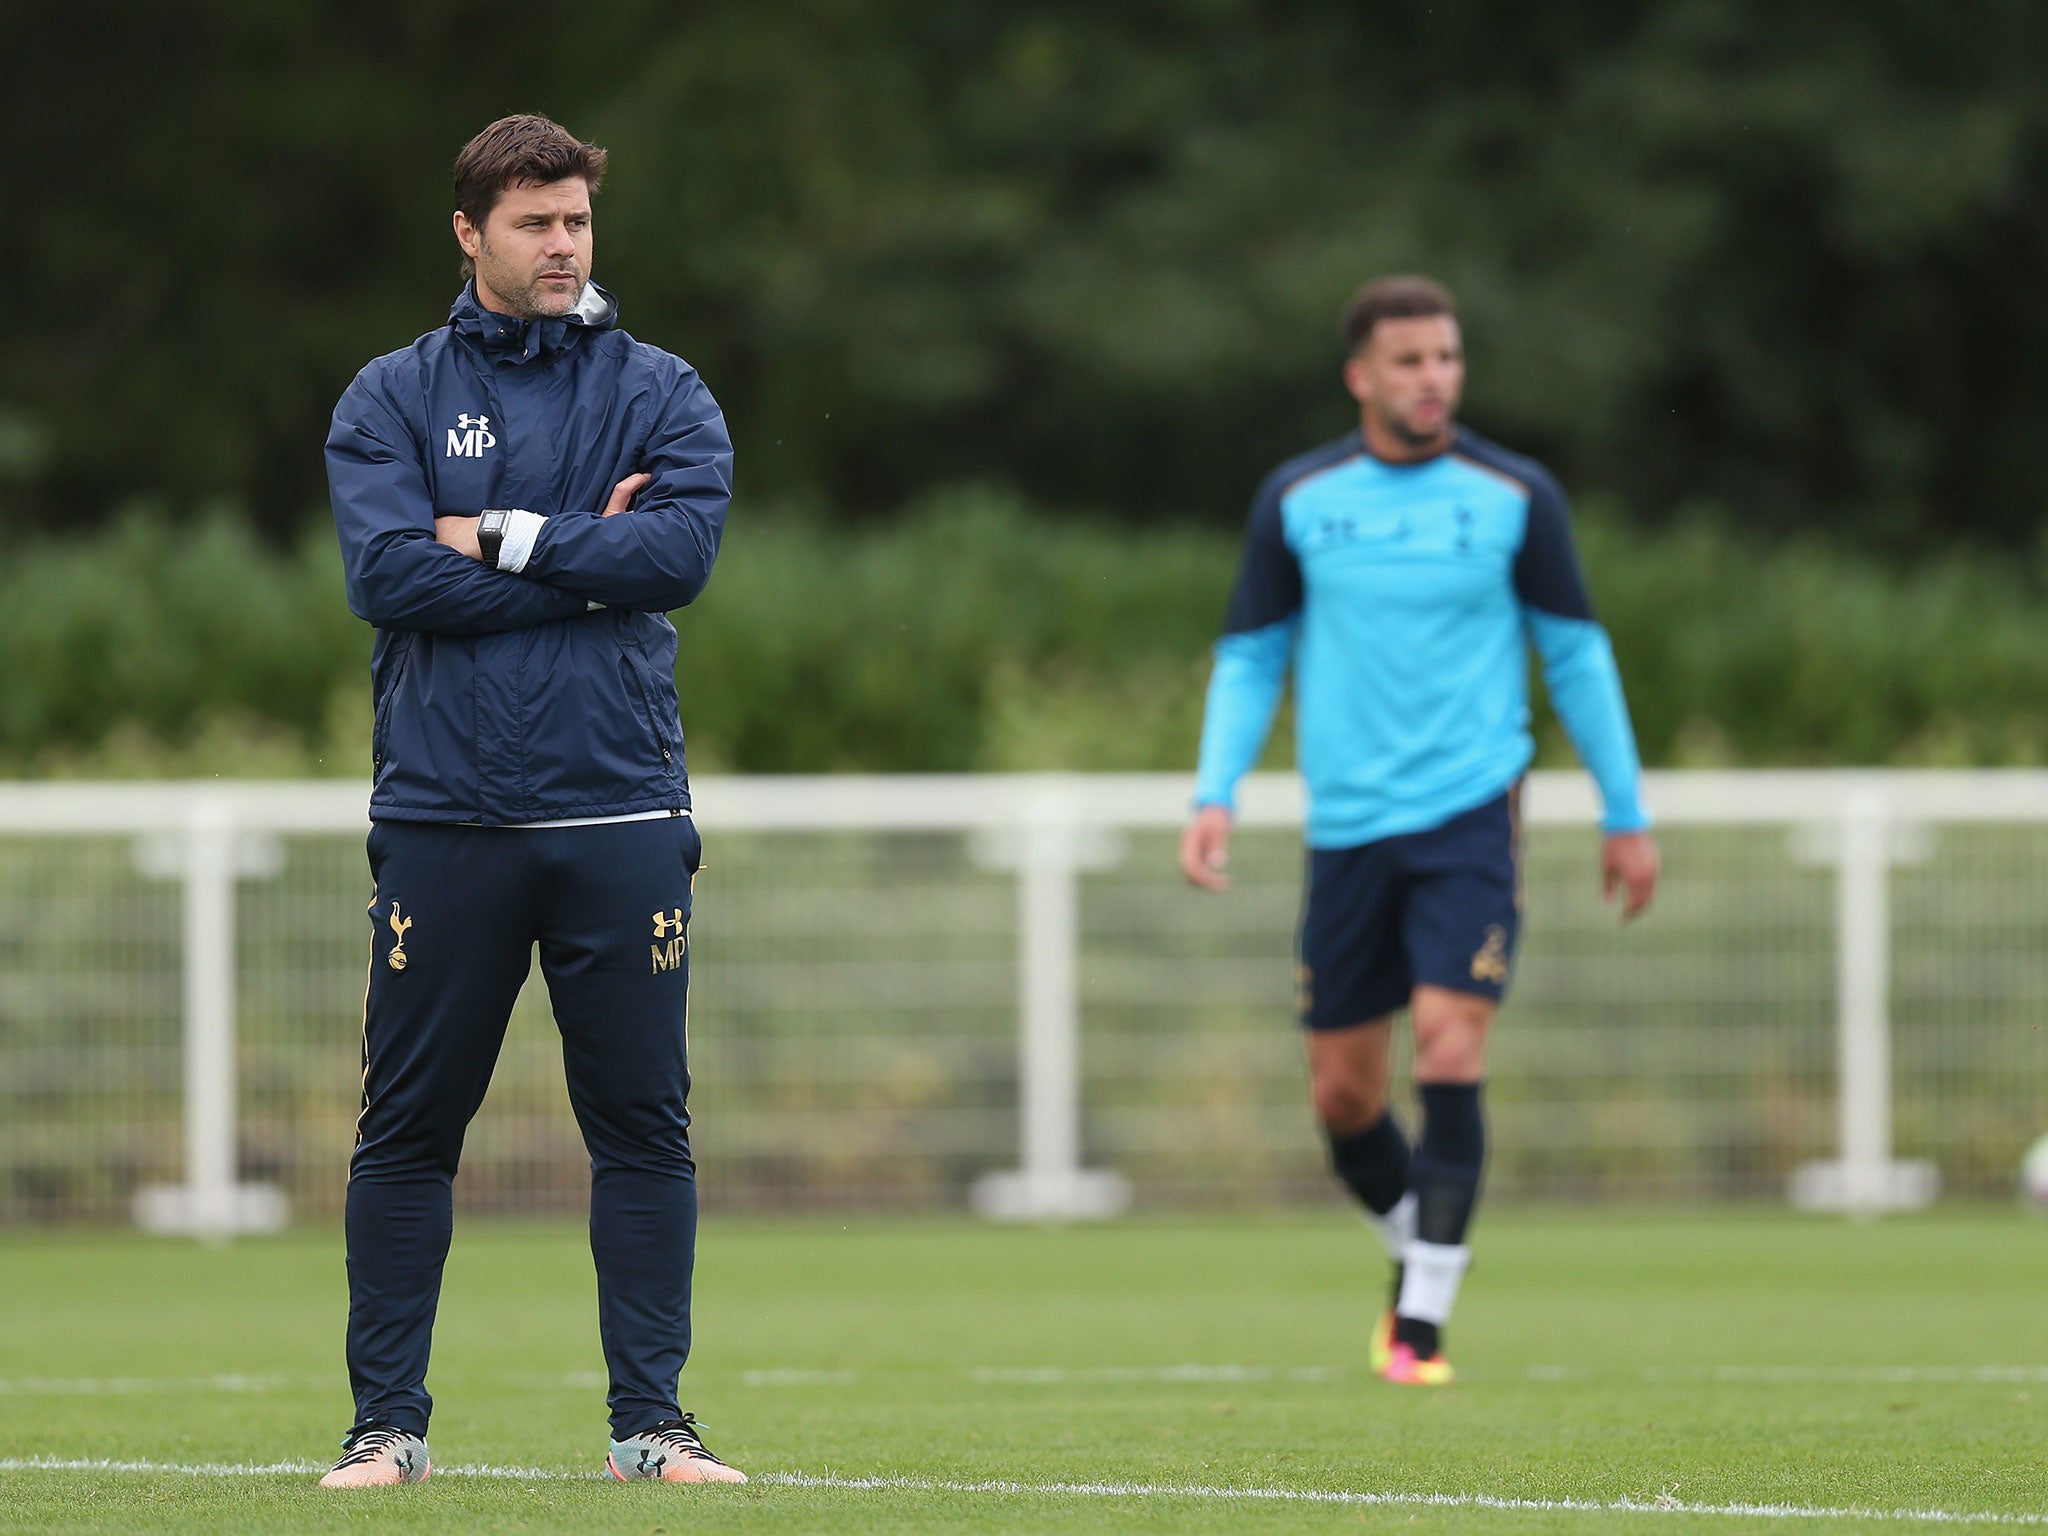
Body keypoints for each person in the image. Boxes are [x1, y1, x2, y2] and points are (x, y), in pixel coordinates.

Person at [319, 114, 744, 1486]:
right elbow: (389, 578)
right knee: (408, 1130)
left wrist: (495, 532)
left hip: (620, 817)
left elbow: (676, 556)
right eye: (532, 224)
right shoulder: (389, 396)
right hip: (449, 820)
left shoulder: (664, 389)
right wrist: (585, 553)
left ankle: (652, 1428)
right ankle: (387, 1428)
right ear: (469, 233)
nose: (562, 245)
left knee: (643, 1129)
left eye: (576, 221)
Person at [1179, 275, 1659, 1386]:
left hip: (1469, 816)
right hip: (1346, 829)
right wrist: (1215, 791)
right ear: (1360, 376)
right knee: (1342, 1096)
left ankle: (1420, 1321)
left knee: (1449, 1042)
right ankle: (1425, 1240)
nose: (1430, 377)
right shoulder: (1298, 498)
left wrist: (1623, 812)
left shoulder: (1512, 494)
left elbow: (1576, 653)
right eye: (1407, 360)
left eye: (1444, 357)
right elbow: (1251, 656)